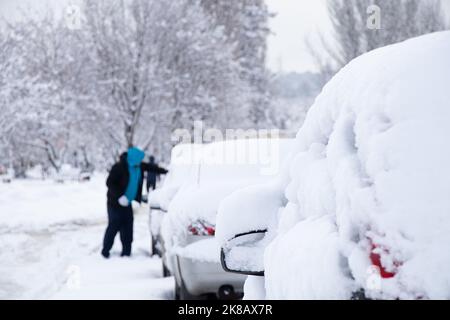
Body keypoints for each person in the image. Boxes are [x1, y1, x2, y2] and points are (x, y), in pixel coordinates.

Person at [101, 147, 168, 258]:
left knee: (128, 228)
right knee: (114, 227)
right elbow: (110, 183)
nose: (140, 161)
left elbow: (152, 168)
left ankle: (126, 253)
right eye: (139, 159)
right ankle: (105, 251)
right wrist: (120, 196)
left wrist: (166, 171)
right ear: (133, 158)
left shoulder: (138, 166)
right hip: (115, 203)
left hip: (127, 204)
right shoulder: (119, 167)